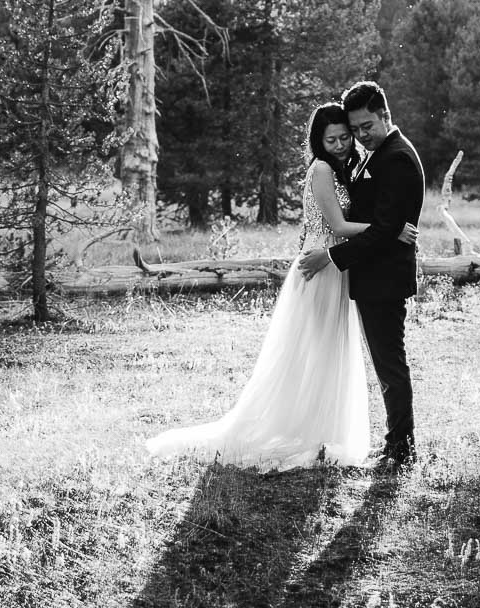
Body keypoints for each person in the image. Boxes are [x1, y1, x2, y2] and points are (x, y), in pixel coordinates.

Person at [144, 102, 416, 472]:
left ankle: (326, 431)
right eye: (331, 139)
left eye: (345, 136)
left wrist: (376, 229)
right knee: (309, 350)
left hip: (338, 268)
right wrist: (389, 228)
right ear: (318, 142)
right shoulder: (323, 168)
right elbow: (337, 226)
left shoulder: (353, 165)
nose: (340, 144)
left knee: (327, 352)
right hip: (321, 268)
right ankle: (297, 430)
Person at [297, 80, 424, 471]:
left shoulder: (396, 157)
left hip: (384, 278)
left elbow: (386, 228)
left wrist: (331, 256)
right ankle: (395, 443)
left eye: (366, 126)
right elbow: (373, 219)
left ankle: (401, 449)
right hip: (369, 275)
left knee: (390, 363)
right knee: (385, 362)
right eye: (354, 130)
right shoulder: (372, 154)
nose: (359, 136)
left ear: (385, 115)